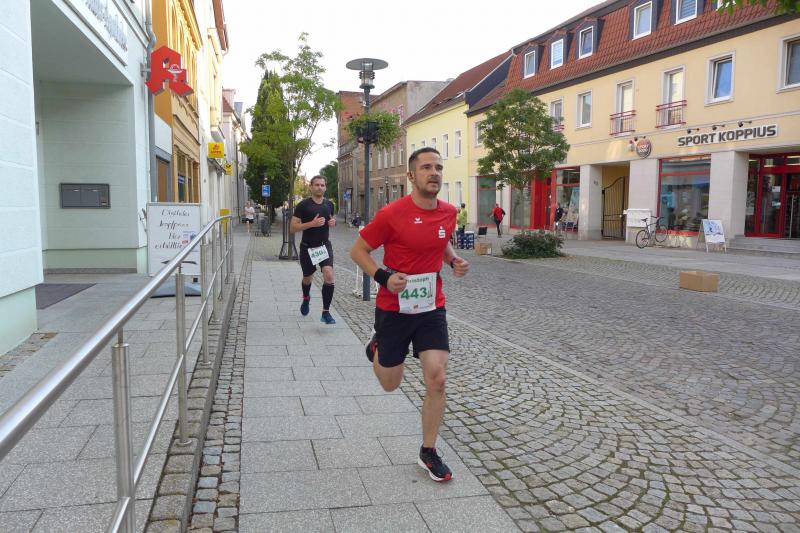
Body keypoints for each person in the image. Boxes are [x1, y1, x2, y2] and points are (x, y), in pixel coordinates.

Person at [350, 147, 469, 483]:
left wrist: (452, 260)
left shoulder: (448, 212)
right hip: (394, 307)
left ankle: (428, 451)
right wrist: (383, 277)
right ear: (411, 176)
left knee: (438, 377)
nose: (434, 173)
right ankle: (377, 346)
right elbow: (358, 250)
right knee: (391, 383)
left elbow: (440, 242)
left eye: (438, 168)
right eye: (426, 167)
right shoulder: (392, 213)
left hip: (431, 306)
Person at [290, 175, 337, 325]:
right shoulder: (303, 205)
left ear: (325, 187)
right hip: (307, 247)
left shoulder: (329, 204)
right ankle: (306, 298)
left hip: (324, 246)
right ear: (311, 187)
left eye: (322, 185)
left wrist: (333, 222)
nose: (319, 188)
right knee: (307, 278)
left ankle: (326, 312)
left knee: (328, 274)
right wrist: (311, 224)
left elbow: (331, 219)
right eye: (317, 185)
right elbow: (293, 228)